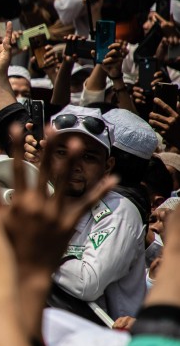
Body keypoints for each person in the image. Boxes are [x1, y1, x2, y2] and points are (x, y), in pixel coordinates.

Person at [43, 106, 147, 322]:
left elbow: (87, 283)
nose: (74, 165)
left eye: (88, 157)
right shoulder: (40, 204)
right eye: (62, 153)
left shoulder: (120, 211)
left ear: (107, 166)